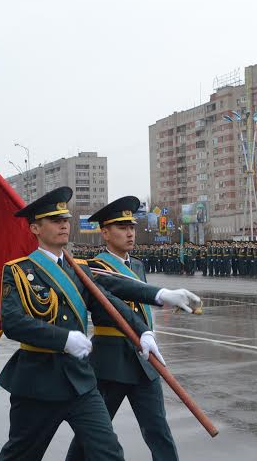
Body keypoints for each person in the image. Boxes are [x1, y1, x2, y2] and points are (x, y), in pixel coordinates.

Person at [0, 187, 168, 461]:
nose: (64, 224)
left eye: (65, 219)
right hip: (38, 381)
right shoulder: (19, 271)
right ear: (35, 228)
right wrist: (62, 339)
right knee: (22, 454)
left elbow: (108, 302)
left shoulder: (78, 269)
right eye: (55, 220)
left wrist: (142, 331)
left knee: (108, 452)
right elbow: (14, 323)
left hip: (80, 381)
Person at [66, 196, 200, 461]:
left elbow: (141, 301)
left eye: (132, 227)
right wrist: (162, 295)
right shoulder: (93, 268)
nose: (129, 233)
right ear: (105, 233)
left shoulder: (136, 265)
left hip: (144, 359)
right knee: (93, 435)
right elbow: (119, 291)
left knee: (158, 430)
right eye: (121, 227)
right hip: (111, 362)